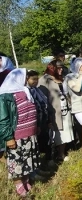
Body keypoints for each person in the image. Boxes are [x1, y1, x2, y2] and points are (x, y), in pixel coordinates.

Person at [0, 68, 40, 197]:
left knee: (27, 160)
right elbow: (3, 118)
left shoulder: (25, 91)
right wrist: (8, 137)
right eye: (24, 77)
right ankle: (19, 186)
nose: (25, 80)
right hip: (16, 135)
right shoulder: (5, 95)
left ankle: (26, 181)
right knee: (16, 162)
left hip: (30, 133)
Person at [38, 60, 74, 162]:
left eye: (62, 67)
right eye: (58, 68)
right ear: (52, 68)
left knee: (65, 132)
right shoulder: (44, 79)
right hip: (53, 112)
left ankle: (61, 154)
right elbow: (42, 97)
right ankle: (51, 156)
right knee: (55, 133)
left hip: (65, 110)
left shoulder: (60, 78)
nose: (61, 70)